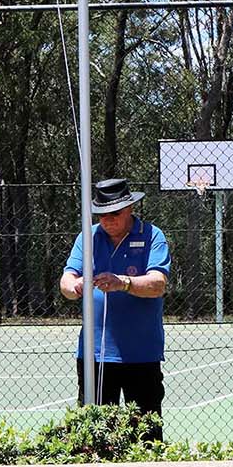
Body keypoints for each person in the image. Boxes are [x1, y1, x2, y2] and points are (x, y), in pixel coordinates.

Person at [60, 177, 171, 440]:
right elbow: (66, 281)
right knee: (94, 435)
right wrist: (75, 286)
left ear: (130, 208)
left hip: (141, 353)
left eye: (115, 213)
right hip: (95, 355)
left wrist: (123, 283)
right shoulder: (88, 237)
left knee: (146, 434)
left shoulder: (152, 236)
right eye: (102, 214)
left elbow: (158, 284)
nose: (108, 220)